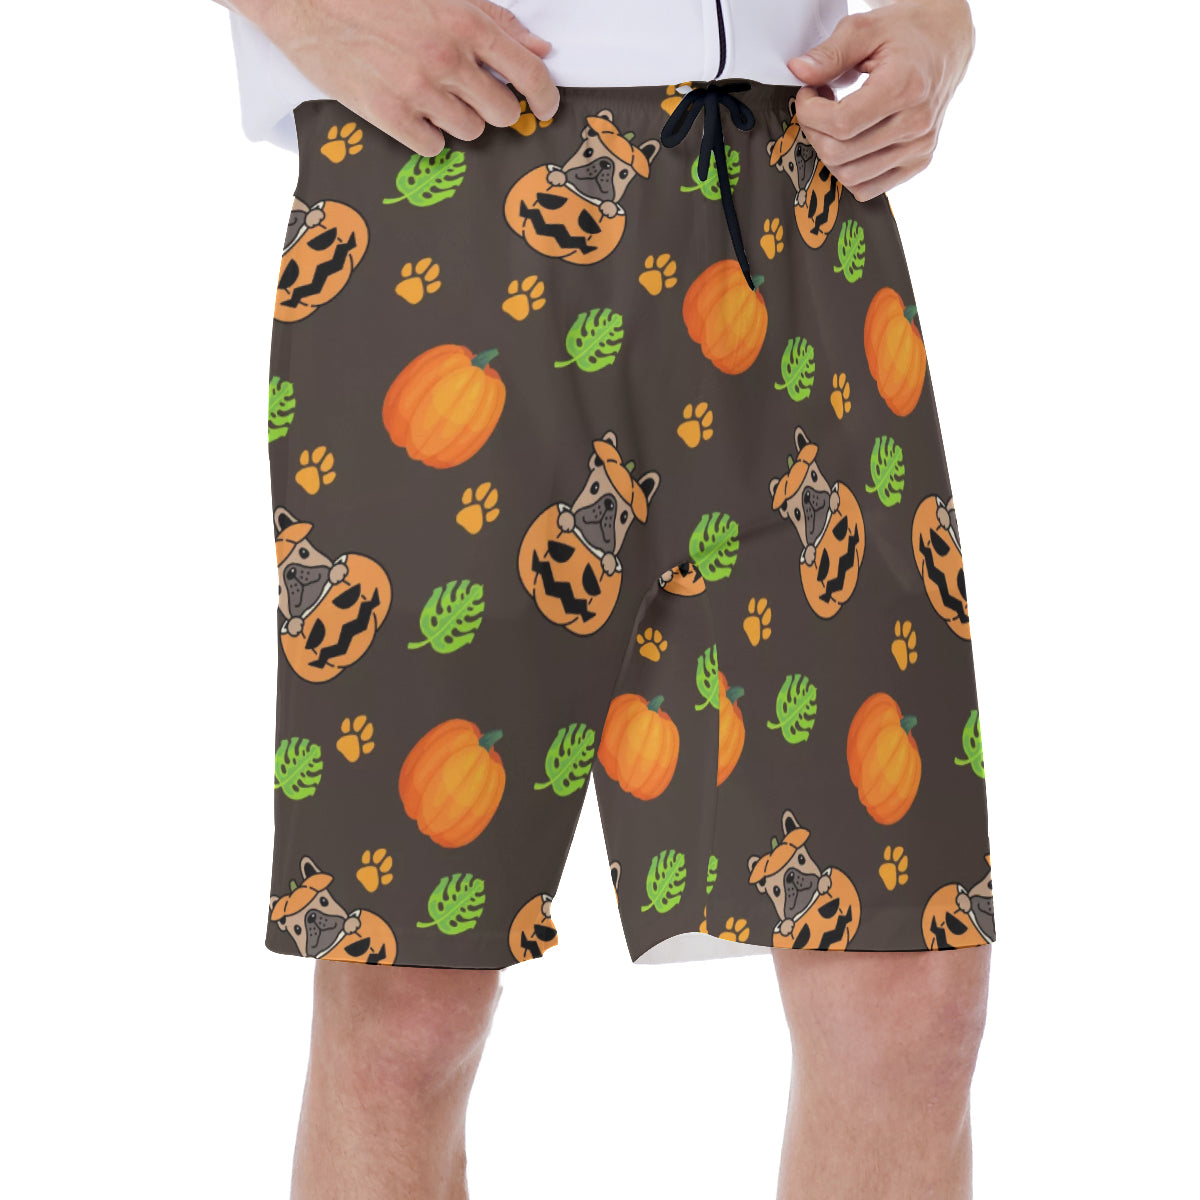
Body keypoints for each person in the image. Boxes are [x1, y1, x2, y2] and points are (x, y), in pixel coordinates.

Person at [217, 1, 993, 1196]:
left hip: (795, 194)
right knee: (409, 997)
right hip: (447, 186)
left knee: (908, 975)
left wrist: (941, 23)